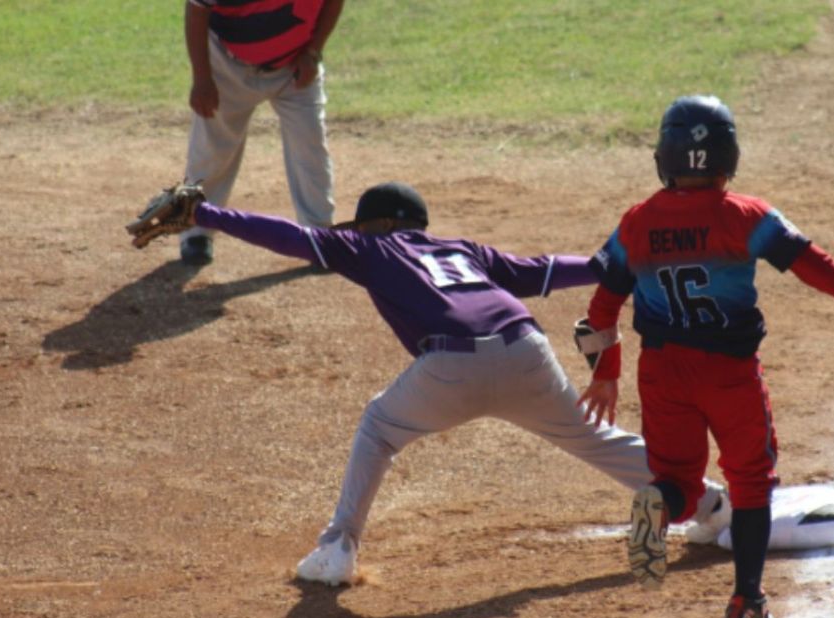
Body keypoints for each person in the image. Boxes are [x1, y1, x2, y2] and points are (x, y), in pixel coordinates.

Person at [167, 181, 731, 585]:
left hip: (449, 366)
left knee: (379, 429)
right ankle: (709, 504)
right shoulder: (465, 251)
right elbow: (549, 270)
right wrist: (614, 266)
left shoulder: (368, 246)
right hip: (525, 350)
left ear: (381, 225)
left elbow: (290, 236)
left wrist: (208, 215)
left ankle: (338, 548)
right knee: (593, 439)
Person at [575, 95, 834, 618]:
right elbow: (815, 266)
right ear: (728, 157)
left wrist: (605, 373)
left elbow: (602, 308)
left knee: (679, 482)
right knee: (751, 484)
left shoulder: (637, 222)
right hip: (729, 374)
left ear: (664, 156)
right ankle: (746, 603)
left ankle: (658, 506)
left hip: (662, 373)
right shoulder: (747, 216)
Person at [179, 0, 346, 266]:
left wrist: (314, 51)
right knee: (213, 148)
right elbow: (196, 10)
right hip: (226, 64)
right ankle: (197, 230)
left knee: (309, 144)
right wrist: (202, 79)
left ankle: (319, 236)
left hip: (296, 65)